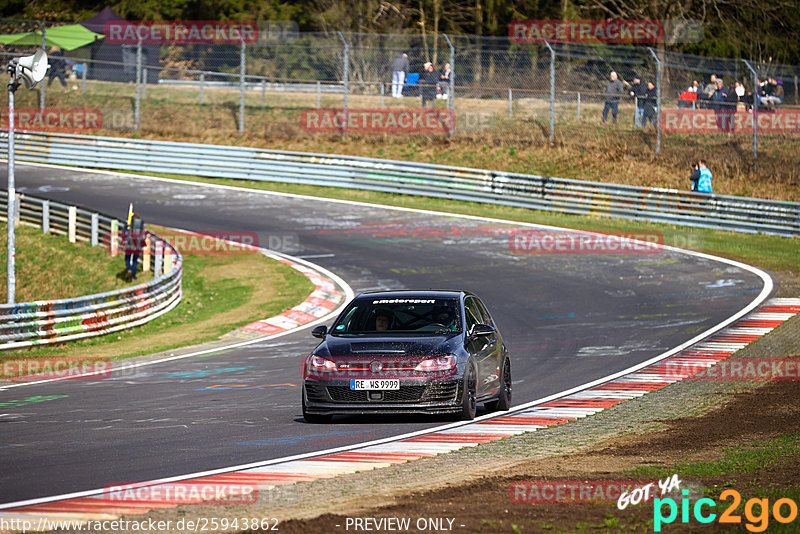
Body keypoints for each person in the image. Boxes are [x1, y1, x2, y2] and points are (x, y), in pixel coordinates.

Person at [123, 212, 146, 281]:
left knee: (127, 258)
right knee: (135, 261)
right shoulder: (142, 224)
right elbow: (143, 235)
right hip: (138, 245)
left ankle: (129, 269)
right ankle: (133, 276)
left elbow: (125, 233)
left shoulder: (129, 224)